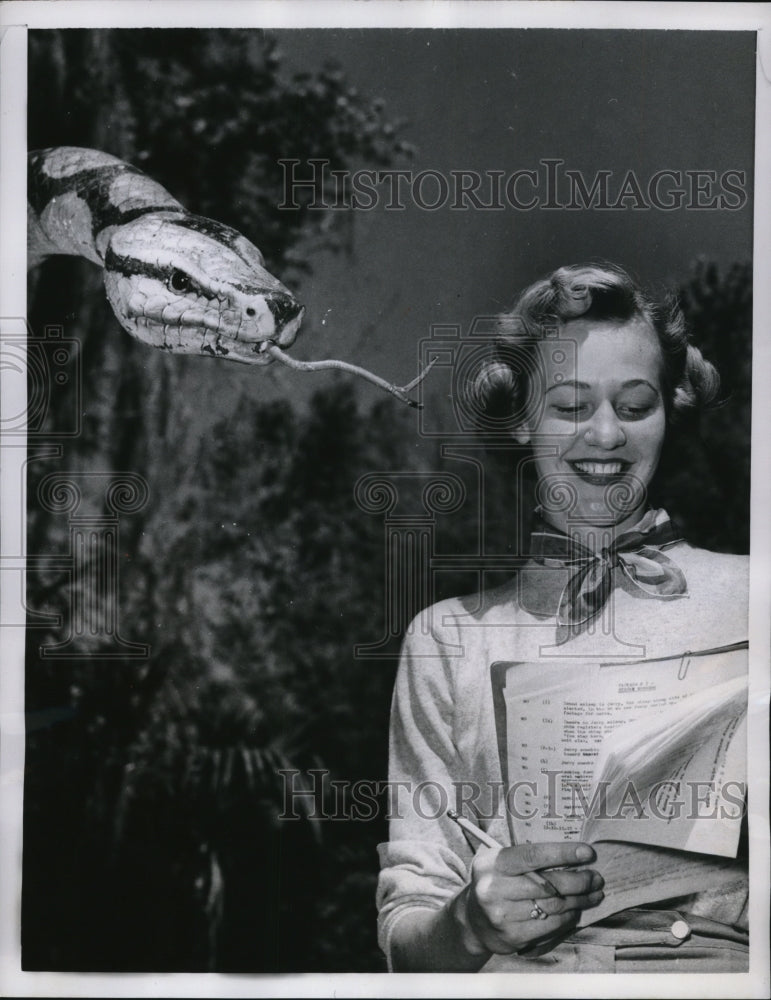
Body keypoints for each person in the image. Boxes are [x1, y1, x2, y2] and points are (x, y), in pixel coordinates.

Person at [376, 263, 749, 973]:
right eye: (571, 407)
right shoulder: (447, 638)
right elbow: (406, 929)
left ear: (671, 406)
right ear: (519, 418)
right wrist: (467, 923)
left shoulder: (753, 596)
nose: (605, 435)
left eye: (635, 406)